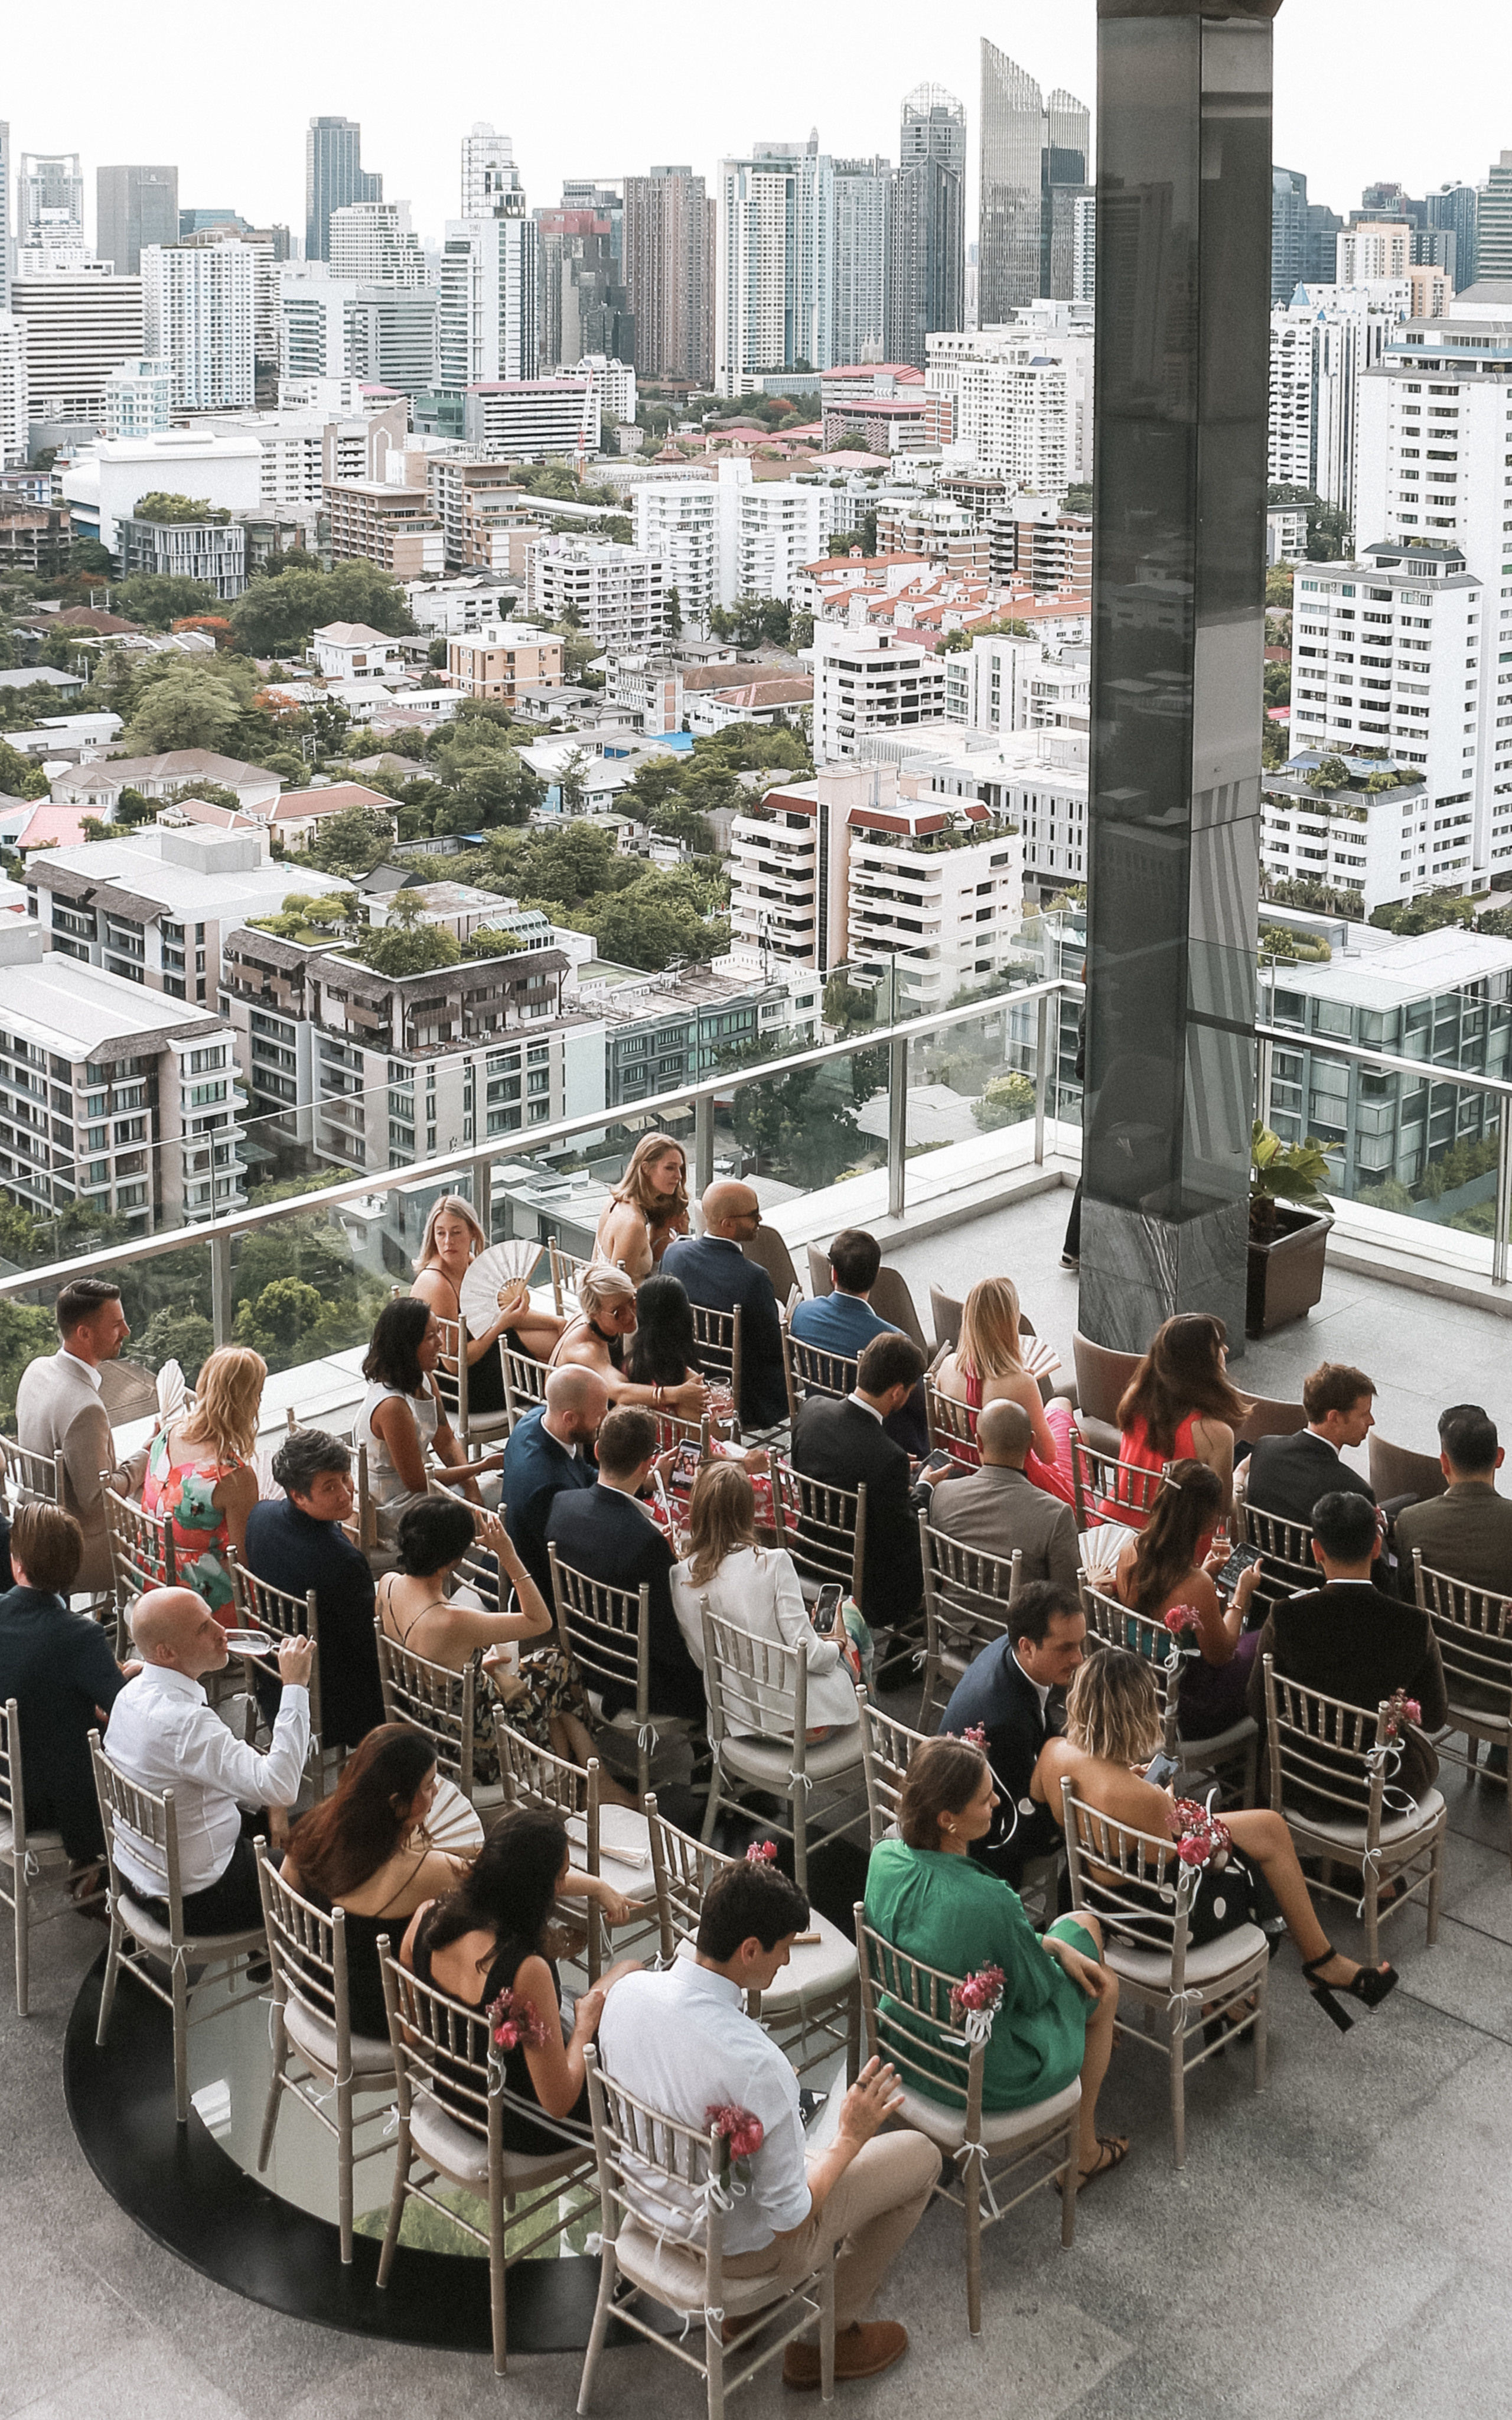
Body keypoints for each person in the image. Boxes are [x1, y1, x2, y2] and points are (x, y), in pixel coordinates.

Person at [599, 1856, 941, 2388]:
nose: (787, 1960)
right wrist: (851, 2136)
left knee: (791, 2157)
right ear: (751, 1949)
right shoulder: (758, 2065)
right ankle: (828, 2338)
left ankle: (747, 2317)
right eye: (784, 1948)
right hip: (736, 2253)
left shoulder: (625, 1997)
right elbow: (792, 2220)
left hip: (645, 2212)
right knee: (921, 2157)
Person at [1035, 1647, 1399, 2031]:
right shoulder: (1143, 1798)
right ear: (1137, 1712)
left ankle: (1316, 1964)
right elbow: (1177, 1856)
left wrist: (1123, 1780)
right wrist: (1165, 1796)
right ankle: (1289, 1975)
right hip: (1148, 1919)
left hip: (1094, 1894)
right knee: (1247, 1868)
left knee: (1269, 1827)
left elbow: (1045, 1797)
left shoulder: (1054, 1754)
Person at [865, 1733, 1124, 2190]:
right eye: (986, 1800)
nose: (1000, 1802)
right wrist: (1056, 1946)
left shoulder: (884, 1858)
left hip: (905, 2042)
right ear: (949, 1820)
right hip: (982, 2073)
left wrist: (1053, 1944)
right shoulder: (991, 1902)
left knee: (1070, 1935)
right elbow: (1035, 1992)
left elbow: (950, 1944)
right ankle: (1083, 2153)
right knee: (1104, 1982)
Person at [400, 1809, 641, 2153]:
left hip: (453, 2095)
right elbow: (557, 2103)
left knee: (618, 1983)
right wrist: (586, 2022)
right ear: (537, 1890)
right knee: (631, 1973)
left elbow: (411, 2032)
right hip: (520, 2122)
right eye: (561, 1878)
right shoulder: (524, 1969)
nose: (562, 1887)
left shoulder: (428, 1917)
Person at [105, 1587, 312, 1931]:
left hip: (136, 1876)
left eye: (213, 1618)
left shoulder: (130, 1693)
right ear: (166, 1652)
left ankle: (264, 1959)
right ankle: (293, 1968)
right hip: (200, 1898)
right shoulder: (187, 1724)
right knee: (333, 1875)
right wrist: (294, 1686)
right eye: (204, 1628)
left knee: (282, 1822)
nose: (222, 1632)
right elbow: (282, 1786)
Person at [377, 1495, 607, 1788]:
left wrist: (465, 1673)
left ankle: (580, 1779)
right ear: (453, 1561)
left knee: (549, 1674)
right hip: (478, 1750)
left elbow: (428, 1664)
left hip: (432, 1728)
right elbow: (541, 1621)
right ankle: (586, 1780)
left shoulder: (388, 1584)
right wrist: (508, 1554)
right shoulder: (450, 1621)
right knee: (560, 1664)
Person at [1245, 1490, 1449, 1803]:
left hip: (1299, 1780)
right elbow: (1434, 1718)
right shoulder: (1414, 1624)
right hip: (1383, 1791)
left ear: (1317, 1550)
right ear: (1377, 1547)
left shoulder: (1285, 1616)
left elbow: (1260, 1707)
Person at [281, 1726, 473, 2039]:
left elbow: (290, 1897)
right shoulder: (425, 1869)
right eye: (428, 1785)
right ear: (397, 1803)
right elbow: (498, 1879)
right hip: (381, 2015)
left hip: (317, 1987)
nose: (437, 1790)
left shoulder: (318, 1826)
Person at [670, 1460, 860, 1738]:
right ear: (749, 1512)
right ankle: (868, 1735)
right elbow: (813, 1656)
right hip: (797, 1723)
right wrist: (837, 1642)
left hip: (734, 1722)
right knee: (851, 1616)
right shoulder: (774, 1564)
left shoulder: (679, 1575)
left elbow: (702, 1660)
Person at [543, 1406, 704, 1724]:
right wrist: (677, 1568)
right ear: (648, 1465)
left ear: (599, 1450)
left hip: (582, 1659)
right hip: (636, 1685)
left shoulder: (563, 1504)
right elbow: (671, 1643)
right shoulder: (646, 1543)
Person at [0, 1503, 127, 1871]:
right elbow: (124, 1712)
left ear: (16, 1564)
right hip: (47, 1802)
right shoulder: (80, 1635)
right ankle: (116, 1874)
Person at [937, 1579, 1086, 1892]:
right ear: (1027, 1646)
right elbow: (1017, 1830)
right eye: (1065, 1648)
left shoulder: (1006, 1648)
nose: (1079, 1659)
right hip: (982, 1850)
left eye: (1080, 1644)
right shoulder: (1007, 1724)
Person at [243, 1429, 385, 1750]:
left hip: (270, 1675)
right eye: (330, 1487)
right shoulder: (342, 1560)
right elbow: (370, 1646)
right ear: (298, 1496)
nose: (346, 1493)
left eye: (345, 1478)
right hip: (327, 1703)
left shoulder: (260, 1516)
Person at [1106, 1460, 1265, 1742]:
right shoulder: (1195, 1585)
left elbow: (1160, 1598)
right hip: (1186, 1704)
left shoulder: (1130, 1551)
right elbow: (1221, 1655)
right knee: (1266, 1641)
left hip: (1141, 1688)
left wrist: (1203, 1573)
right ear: (1205, 1518)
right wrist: (1241, 1594)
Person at [15, 1277, 151, 1597]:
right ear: (84, 1333)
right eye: (117, 1324)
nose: (127, 1331)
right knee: (166, 1523)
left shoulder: (36, 1370)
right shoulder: (86, 1407)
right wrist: (146, 1456)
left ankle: (105, 1613)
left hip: (31, 1527)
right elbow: (96, 1501)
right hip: (73, 1551)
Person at [791, 1332, 931, 1632]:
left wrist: (889, 1479)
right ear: (897, 1393)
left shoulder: (811, 1410)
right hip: (859, 1587)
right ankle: (905, 1659)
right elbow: (902, 1539)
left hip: (805, 1557)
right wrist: (924, 1488)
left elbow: (838, 1462)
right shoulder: (887, 1458)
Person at [356, 1297, 504, 1538]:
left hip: (426, 1488)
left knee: (497, 1496)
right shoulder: (392, 1406)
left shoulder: (425, 1378)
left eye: (439, 1332)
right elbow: (416, 1481)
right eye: (430, 1338)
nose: (441, 1343)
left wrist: (472, 1489)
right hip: (400, 1508)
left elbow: (446, 1442)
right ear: (406, 1347)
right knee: (498, 1506)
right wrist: (481, 1466)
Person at [143, 1344, 267, 1628]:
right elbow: (244, 1563)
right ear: (245, 1402)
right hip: (200, 1600)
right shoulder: (231, 1476)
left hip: (154, 1578)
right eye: (257, 1394)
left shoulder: (166, 1434)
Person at [409, 1193, 565, 1417]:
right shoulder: (437, 1285)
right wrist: (501, 1325)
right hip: (459, 1384)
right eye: (440, 1233)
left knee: (562, 1347)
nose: (447, 1242)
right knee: (556, 1377)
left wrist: (557, 1322)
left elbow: (504, 1314)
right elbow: (454, 1363)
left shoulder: (469, 1261)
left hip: (484, 1348)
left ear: (472, 1232)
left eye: (456, 1232)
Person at [932, 1275, 1076, 1507]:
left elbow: (939, 1435)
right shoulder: (1021, 1383)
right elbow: (1048, 1455)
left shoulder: (947, 1367)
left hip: (963, 1474)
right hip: (1019, 1483)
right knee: (1061, 1407)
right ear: (1010, 1321)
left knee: (1058, 1408)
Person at [662, 1181, 788, 1437]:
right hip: (741, 1397)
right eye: (753, 1215)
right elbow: (773, 1351)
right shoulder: (753, 1278)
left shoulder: (674, 1254)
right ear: (728, 1224)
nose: (760, 1219)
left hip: (687, 1375)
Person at [788, 1228, 927, 1455]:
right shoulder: (894, 1343)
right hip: (879, 1444)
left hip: (819, 1426)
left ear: (833, 1273)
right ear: (875, 1276)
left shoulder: (803, 1313)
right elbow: (919, 1406)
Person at [1107, 1312, 1249, 1524]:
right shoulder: (1215, 1432)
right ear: (1201, 1362)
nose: (1226, 1350)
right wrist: (1241, 1476)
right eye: (1219, 1345)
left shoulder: (1135, 1400)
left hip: (1116, 1528)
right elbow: (1222, 1508)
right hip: (1176, 1543)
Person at [928, 1399, 1082, 1595]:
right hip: (1022, 1625)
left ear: (979, 1443)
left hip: (953, 1622)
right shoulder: (1056, 1515)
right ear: (1031, 1444)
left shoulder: (942, 1494)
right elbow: (1068, 1599)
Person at [500, 1366, 607, 1603]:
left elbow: (581, 1470)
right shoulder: (550, 1488)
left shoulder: (534, 1420)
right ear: (569, 1418)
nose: (604, 1420)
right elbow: (577, 1556)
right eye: (598, 1415)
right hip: (539, 1592)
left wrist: (640, 1481)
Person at [550, 1262, 708, 1422]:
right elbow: (621, 1392)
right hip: (581, 1429)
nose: (630, 1315)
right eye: (618, 1313)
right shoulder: (586, 1350)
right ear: (593, 1314)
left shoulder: (602, 1323)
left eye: (632, 1302)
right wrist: (677, 1394)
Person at [1391, 1403, 1512, 1596]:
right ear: (1499, 1457)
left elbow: (1405, 1595)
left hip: (1433, 1627)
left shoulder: (1410, 1521)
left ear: (1445, 1463)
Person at [1245, 1363, 1379, 1527]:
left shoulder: (1264, 1448)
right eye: (1364, 1414)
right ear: (1334, 1417)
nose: (1371, 1421)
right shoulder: (1353, 1491)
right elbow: (1372, 1551)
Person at [594, 1133, 692, 1283]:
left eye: (680, 1168)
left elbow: (594, 1263)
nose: (678, 1176)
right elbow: (618, 1292)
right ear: (646, 1169)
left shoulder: (613, 1201)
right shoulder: (633, 1225)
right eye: (670, 1168)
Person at [1060, 965, 1087, 1272]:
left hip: (1098, 1096)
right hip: (1099, 1097)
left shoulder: (1093, 1003)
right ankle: (1073, 1247)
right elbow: (1082, 1067)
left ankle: (1073, 1248)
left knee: (1091, 1172)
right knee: (1093, 1173)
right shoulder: (1095, 1009)